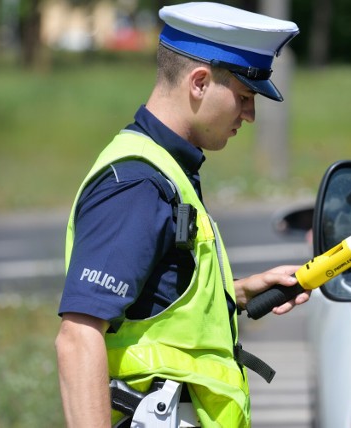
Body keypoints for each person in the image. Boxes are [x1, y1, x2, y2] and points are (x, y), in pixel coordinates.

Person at [54, 3, 307, 427]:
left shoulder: (169, 171)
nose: (250, 114)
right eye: (245, 97)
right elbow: (78, 336)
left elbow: (151, 307)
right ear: (200, 83)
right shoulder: (138, 183)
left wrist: (238, 293)